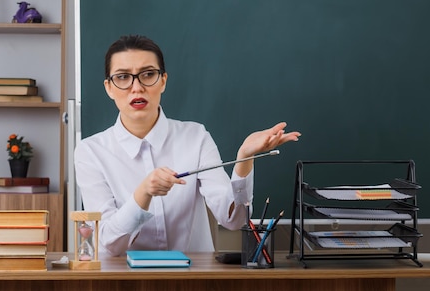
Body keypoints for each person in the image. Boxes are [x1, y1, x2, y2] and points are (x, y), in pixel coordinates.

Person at [74, 35, 301, 256]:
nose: (137, 87)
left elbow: (233, 220)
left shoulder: (196, 137)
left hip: (193, 282)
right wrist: (143, 194)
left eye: (148, 74)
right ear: (109, 87)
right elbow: (109, 243)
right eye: (123, 77)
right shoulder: (90, 152)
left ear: (163, 81)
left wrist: (244, 158)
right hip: (124, 284)